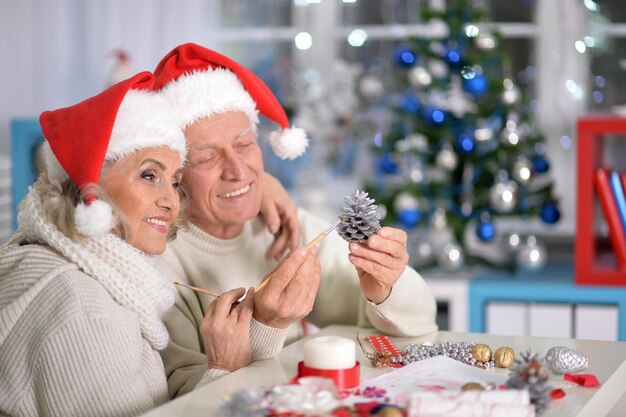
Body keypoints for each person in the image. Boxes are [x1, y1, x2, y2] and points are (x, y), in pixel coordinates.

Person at [0, 71, 302, 416]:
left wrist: (237, 353)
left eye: (174, 182)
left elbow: (161, 396)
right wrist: (223, 369)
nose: (172, 202)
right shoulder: (84, 309)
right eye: (149, 175)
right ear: (89, 183)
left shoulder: (113, 276)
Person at [152, 43, 438, 398]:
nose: (239, 171)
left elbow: (420, 320)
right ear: (174, 173)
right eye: (207, 158)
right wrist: (265, 325)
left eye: (244, 145)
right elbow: (188, 400)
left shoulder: (283, 223)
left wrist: (385, 288)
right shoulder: (159, 263)